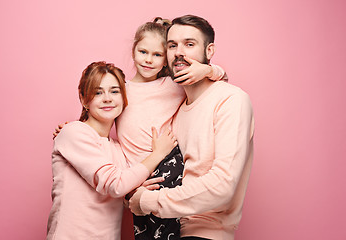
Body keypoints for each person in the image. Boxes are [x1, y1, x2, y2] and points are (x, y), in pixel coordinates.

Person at [52, 18, 227, 239]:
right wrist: (72, 128)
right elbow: (98, 112)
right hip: (132, 174)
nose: (149, 60)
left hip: (165, 164)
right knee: (144, 229)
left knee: (173, 227)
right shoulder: (120, 91)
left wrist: (205, 70)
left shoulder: (173, 85)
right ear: (133, 51)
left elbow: (221, 78)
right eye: (143, 52)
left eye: (157, 55)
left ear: (166, 60)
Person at [129, 15, 255, 240]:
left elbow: (223, 185)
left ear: (209, 51)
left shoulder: (232, 100)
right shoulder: (175, 111)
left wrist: (147, 201)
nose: (179, 52)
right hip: (168, 229)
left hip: (207, 232)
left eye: (189, 44)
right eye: (172, 45)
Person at [46, 61, 177, 240]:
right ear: (84, 100)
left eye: (114, 91)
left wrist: (132, 193)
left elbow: (120, 190)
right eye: (98, 92)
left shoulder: (118, 149)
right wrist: (158, 154)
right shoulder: (74, 132)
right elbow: (116, 185)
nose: (107, 98)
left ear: (124, 98)